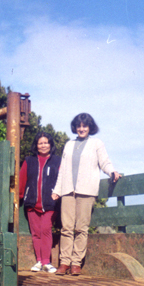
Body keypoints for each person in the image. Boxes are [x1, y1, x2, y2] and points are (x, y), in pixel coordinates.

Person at [51, 113, 121, 275]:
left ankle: (76, 263)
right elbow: (63, 170)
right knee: (66, 228)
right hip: (68, 191)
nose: (81, 129)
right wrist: (57, 190)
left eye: (85, 126)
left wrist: (111, 171)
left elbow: (104, 161)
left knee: (81, 228)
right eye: (79, 126)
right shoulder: (69, 144)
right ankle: (64, 263)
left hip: (86, 191)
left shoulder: (96, 143)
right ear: (75, 128)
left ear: (90, 127)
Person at [19, 132, 61, 273]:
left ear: (50, 145)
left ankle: (46, 262)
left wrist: (59, 193)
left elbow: (62, 180)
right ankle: (38, 261)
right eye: (40, 143)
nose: (43, 145)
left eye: (46, 142)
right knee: (36, 233)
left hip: (50, 203)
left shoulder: (57, 161)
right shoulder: (29, 161)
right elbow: (22, 179)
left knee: (46, 230)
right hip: (31, 203)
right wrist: (18, 197)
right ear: (36, 145)